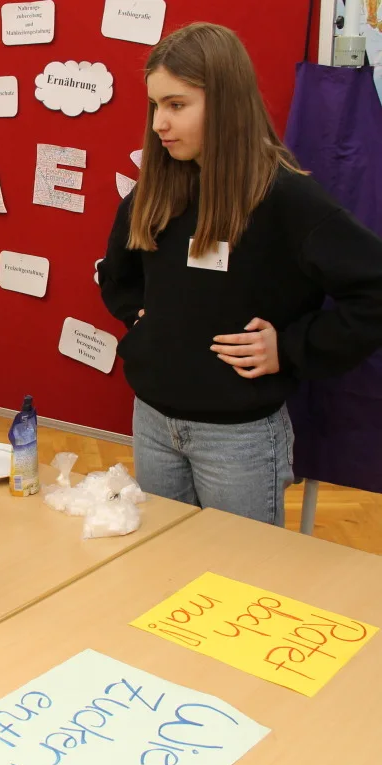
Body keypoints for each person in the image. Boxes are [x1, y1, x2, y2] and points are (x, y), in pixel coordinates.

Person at [98, 23, 382, 527]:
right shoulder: (155, 191)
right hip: (153, 423)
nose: (160, 123)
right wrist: (143, 321)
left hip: (239, 439)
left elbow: (373, 290)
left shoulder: (285, 198)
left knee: (241, 569)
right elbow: (117, 274)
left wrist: (290, 347)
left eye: (177, 104)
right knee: (162, 560)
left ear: (226, 102)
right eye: (155, 106)